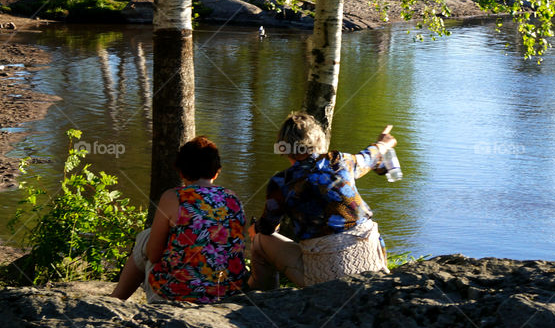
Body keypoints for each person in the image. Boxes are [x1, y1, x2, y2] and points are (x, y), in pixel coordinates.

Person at [247, 112, 396, 290]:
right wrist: (383, 143)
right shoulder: (340, 161)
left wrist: (255, 229)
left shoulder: (281, 183)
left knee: (260, 241)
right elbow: (369, 156)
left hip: (325, 279)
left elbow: (267, 228)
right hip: (372, 265)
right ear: (318, 140)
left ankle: (260, 296)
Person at [111, 137, 247, 303]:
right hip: (225, 293)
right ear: (217, 170)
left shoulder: (174, 197)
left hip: (175, 295)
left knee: (146, 237)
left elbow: (153, 256)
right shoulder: (232, 198)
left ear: (181, 171)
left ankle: (115, 299)